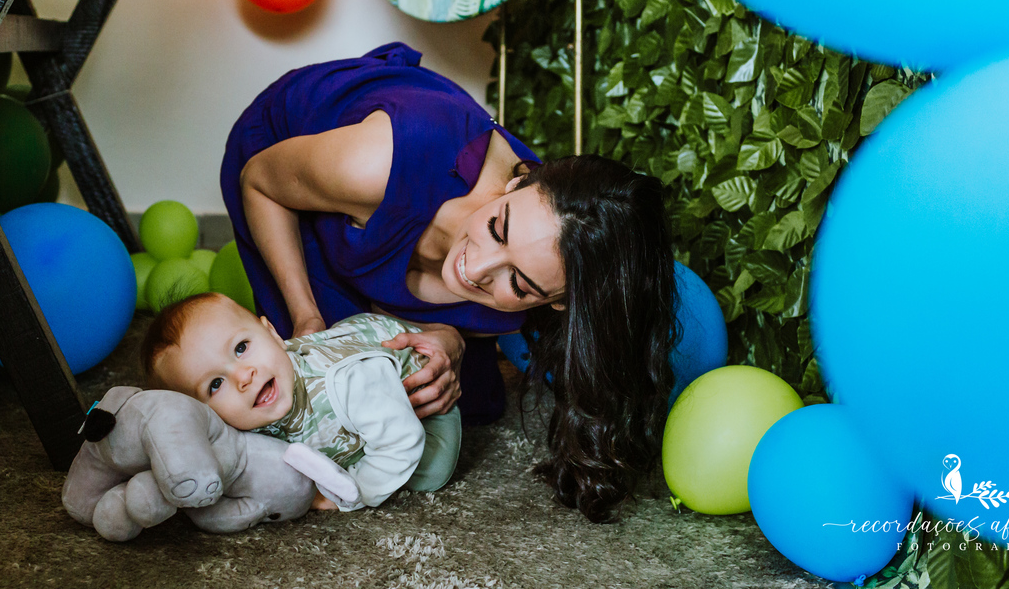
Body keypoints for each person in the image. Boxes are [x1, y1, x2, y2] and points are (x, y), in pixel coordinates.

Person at [220, 42, 678, 522]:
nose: (475, 270)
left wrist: (449, 337)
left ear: (558, 302)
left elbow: (478, 312)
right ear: (520, 181)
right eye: (498, 229)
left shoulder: (547, 269)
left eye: (518, 284)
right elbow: (260, 182)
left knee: (456, 401)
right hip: (281, 170)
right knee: (306, 401)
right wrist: (307, 316)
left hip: (380, 198)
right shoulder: (377, 163)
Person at [141, 292, 461, 511]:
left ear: (272, 333)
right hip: (354, 391)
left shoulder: (348, 381)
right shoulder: (240, 421)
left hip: (411, 382)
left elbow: (401, 440)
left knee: (430, 471)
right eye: (215, 383)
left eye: (241, 348)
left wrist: (354, 492)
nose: (244, 376)